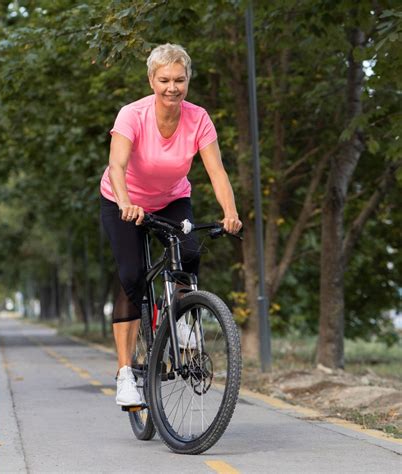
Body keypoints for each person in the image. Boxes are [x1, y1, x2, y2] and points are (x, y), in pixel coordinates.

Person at [100, 43, 242, 406]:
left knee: (190, 249)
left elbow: (216, 170)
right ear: (151, 80)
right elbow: (117, 166)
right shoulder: (132, 115)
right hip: (124, 199)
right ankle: (124, 375)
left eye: (179, 79)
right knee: (132, 276)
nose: (172, 87)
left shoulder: (198, 118)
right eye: (164, 79)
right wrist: (127, 202)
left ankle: (178, 315)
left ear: (188, 81)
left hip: (172, 199)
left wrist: (230, 212)